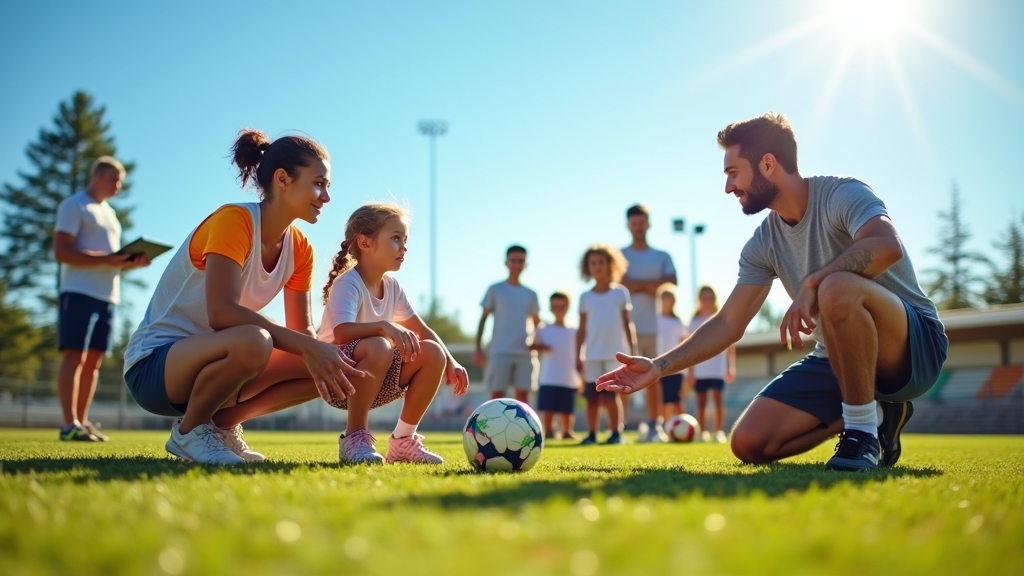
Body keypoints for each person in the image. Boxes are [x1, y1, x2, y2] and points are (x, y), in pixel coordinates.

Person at [597, 113, 947, 471]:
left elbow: (887, 245)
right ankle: (872, 416)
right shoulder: (762, 242)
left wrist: (814, 282)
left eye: (733, 173)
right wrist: (658, 366)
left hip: (912, 350)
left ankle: (860, 436)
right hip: (837, 356)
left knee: (835, 286)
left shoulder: (842, 193)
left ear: (767, 164)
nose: (728, 188)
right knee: (748, 443)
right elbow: (729, 322)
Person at [124, 129, 362, 465]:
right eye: (319, 183)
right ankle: (190, 432)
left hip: (224, 366)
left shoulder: (301, 248)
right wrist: (308, 346)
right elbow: (221, 313)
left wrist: (332, 353)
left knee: (333, 362)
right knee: (256, 339)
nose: (326, 197)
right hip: (154, 369)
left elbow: (302, 333)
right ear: (282, 179)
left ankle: (221, 426)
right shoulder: (234, 220)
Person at [319, 203, 470, 465]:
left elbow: (423, 331)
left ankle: (402, 441)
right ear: (365, 243)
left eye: (405, 240)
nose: (404, 247)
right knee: (379, 344)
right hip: (336, 380)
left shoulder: (392, 287)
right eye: (395, 239)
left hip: (375, 379)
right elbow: (342, 333)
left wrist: (452, 361)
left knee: (432, 352)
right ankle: (354, 438)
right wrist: (384, 326)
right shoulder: (348, 283)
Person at [54, 156, 150, 442]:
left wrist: (128, 262)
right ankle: (68, 424)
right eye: (115, 179)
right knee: (74, 357)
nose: (119, 185)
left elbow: (110, 259)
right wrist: (108, 258)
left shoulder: (110, 215)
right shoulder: (75, 205)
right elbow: (62, 252)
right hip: (78, 292)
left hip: (107, 296)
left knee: (93, 361)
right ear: (98, 177)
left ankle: (82, 422)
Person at [620, 204, 678, 443]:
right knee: (621, 377)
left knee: (655, 377)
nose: (638, 227)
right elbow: (620, 283)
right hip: (625, 328)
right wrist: (651, 284)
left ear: (648, 224)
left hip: (655, 328)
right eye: (634, 223)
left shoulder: (662, 256)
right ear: (628, 225)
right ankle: (618, 429)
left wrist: (636, 283)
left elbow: (671, 281)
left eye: (642, 222)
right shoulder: (619, 255)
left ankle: (656, 425)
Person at [577, 244, 637, 445]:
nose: (598, 267)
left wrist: (633, 351)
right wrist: (578, 355)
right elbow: (582, 329)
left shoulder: (620, 293)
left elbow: (628, 324)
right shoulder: (585, 297)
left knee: (612, 397)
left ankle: (616, 433)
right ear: (588, 267)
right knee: (592, 398)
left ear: (610, 265)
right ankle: (591, 434)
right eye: (593, 263)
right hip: (592, 355)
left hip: (615, 355)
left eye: (601, 262)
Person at [474, 245, 541, 404]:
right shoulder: (495, 290)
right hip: (499, 351)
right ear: (506, 262)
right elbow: (483, 319)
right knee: (497, 398)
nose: (517, 264)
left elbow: (537, 323)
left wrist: (539, 340)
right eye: (513, 261)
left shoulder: (531, 294)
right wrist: (478, 348)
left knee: (523, 399)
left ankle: (524, 430)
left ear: (526, 264)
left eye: (521, 261)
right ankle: (493, 430)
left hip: (525, 353)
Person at [686, 286, 735, 443]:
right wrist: (690, 371)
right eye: (704, 298)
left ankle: (719, 431)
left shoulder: (721, 319)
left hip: (717, 369)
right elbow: (690, 347)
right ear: (699, 301)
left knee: (718, 400)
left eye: (710, 298)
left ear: (714, 300)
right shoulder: (694, 322)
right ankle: (703, 432)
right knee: (701, 403)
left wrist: (730, 366)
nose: (707, 302)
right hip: (700, 369)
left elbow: (730, 345)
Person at [531, 291, 580, 440]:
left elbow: (580, 354)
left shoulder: (575, 331)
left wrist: (580, 376)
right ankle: (549, 431)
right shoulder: (543, 329)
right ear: (551, 308)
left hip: (569, 377)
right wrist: (540, 347)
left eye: (562, 306)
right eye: (555, 306)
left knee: (567, 409)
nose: (559, 309)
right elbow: (532, 344)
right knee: (548, 408)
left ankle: (567, 431)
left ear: (567, 307)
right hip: (548, 377)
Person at [655, 284, 688, 423]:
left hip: (675, 367)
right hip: (657, 366)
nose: (666, 301)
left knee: (675, 400)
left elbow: (684, 344)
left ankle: (686, 425)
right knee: (661, 401)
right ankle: (663, 427)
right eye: (664, 298)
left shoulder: (677, 321)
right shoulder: (654, 320)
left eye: (669, 298)